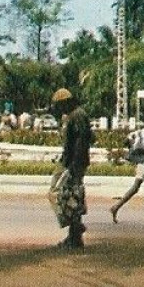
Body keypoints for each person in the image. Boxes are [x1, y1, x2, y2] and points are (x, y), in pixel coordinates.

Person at [47, 88, 91, 249]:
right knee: (72, 198)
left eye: (59, 106)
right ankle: (74, 236)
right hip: (72, 161)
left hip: (72, 163)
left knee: (57, 193)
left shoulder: (77, 116)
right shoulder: (74, 115)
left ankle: (75, 230)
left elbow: (81, 141)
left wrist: (72, 166)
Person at [110, 108, 144, 222]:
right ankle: (116, 207)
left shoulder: (138, 132)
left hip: (140, 162)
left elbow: (127, 140)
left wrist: (135, 150)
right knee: (135, 188)